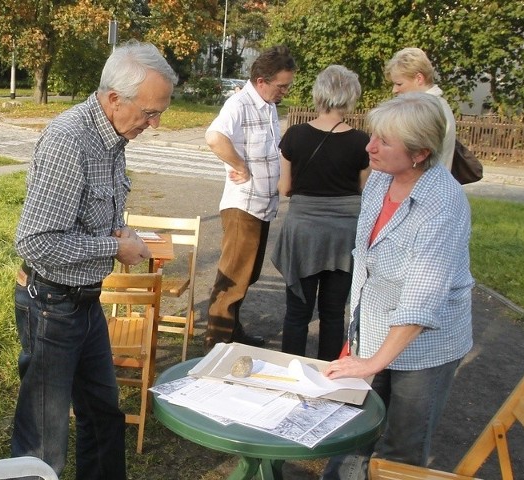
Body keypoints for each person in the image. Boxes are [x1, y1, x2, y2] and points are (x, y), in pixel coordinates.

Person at [11, 40, 178, 479]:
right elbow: (37, 242)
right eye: (149, 112)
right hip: (50, 305)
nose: (154, 123)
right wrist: (114, 247)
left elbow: (87, 213)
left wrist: (120, 232)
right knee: (43, 443)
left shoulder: (113, 135)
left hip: (84, 303)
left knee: (104, 417)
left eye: (159, 112)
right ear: (114, 99)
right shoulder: (70, 140)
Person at [321, 92, 474, 479]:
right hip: (373, 332)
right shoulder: (380, 180)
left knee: (400, 450)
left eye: (384, 142)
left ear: (420, 153)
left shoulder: (441, 203)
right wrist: (356, 339)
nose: (369, 146)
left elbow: (421, 301)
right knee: (354, 430)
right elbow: (368, 261)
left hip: (423, 351)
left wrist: (374, 363)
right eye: (373, 136)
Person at [271, 65, 370, 361]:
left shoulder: (295, 136)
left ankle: (291, 370)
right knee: (333, 313)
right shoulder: (362, 142)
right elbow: (364, 191)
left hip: (304, 232)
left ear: (319, 94)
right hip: (343, 236)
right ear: (351, 96)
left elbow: (286, 188)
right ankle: (329, 374)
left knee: (298, 312)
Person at [203, 45, 296, 351]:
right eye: (281, 85)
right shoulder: (239, 104)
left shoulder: (267, 106)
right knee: (232, 278)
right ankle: (216, 344)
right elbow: (214, 137)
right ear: (261, 81)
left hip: (262, 206)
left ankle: (232, 332)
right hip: (243, 206)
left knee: (247, 275)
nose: (284, 91)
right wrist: (239, 165)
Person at [385, 47, 457, 170]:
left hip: (423, 185)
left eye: (399, 84)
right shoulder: (440, 104)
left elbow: (406, 159)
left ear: (419, 78)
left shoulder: (424, 111)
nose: (394, 90)